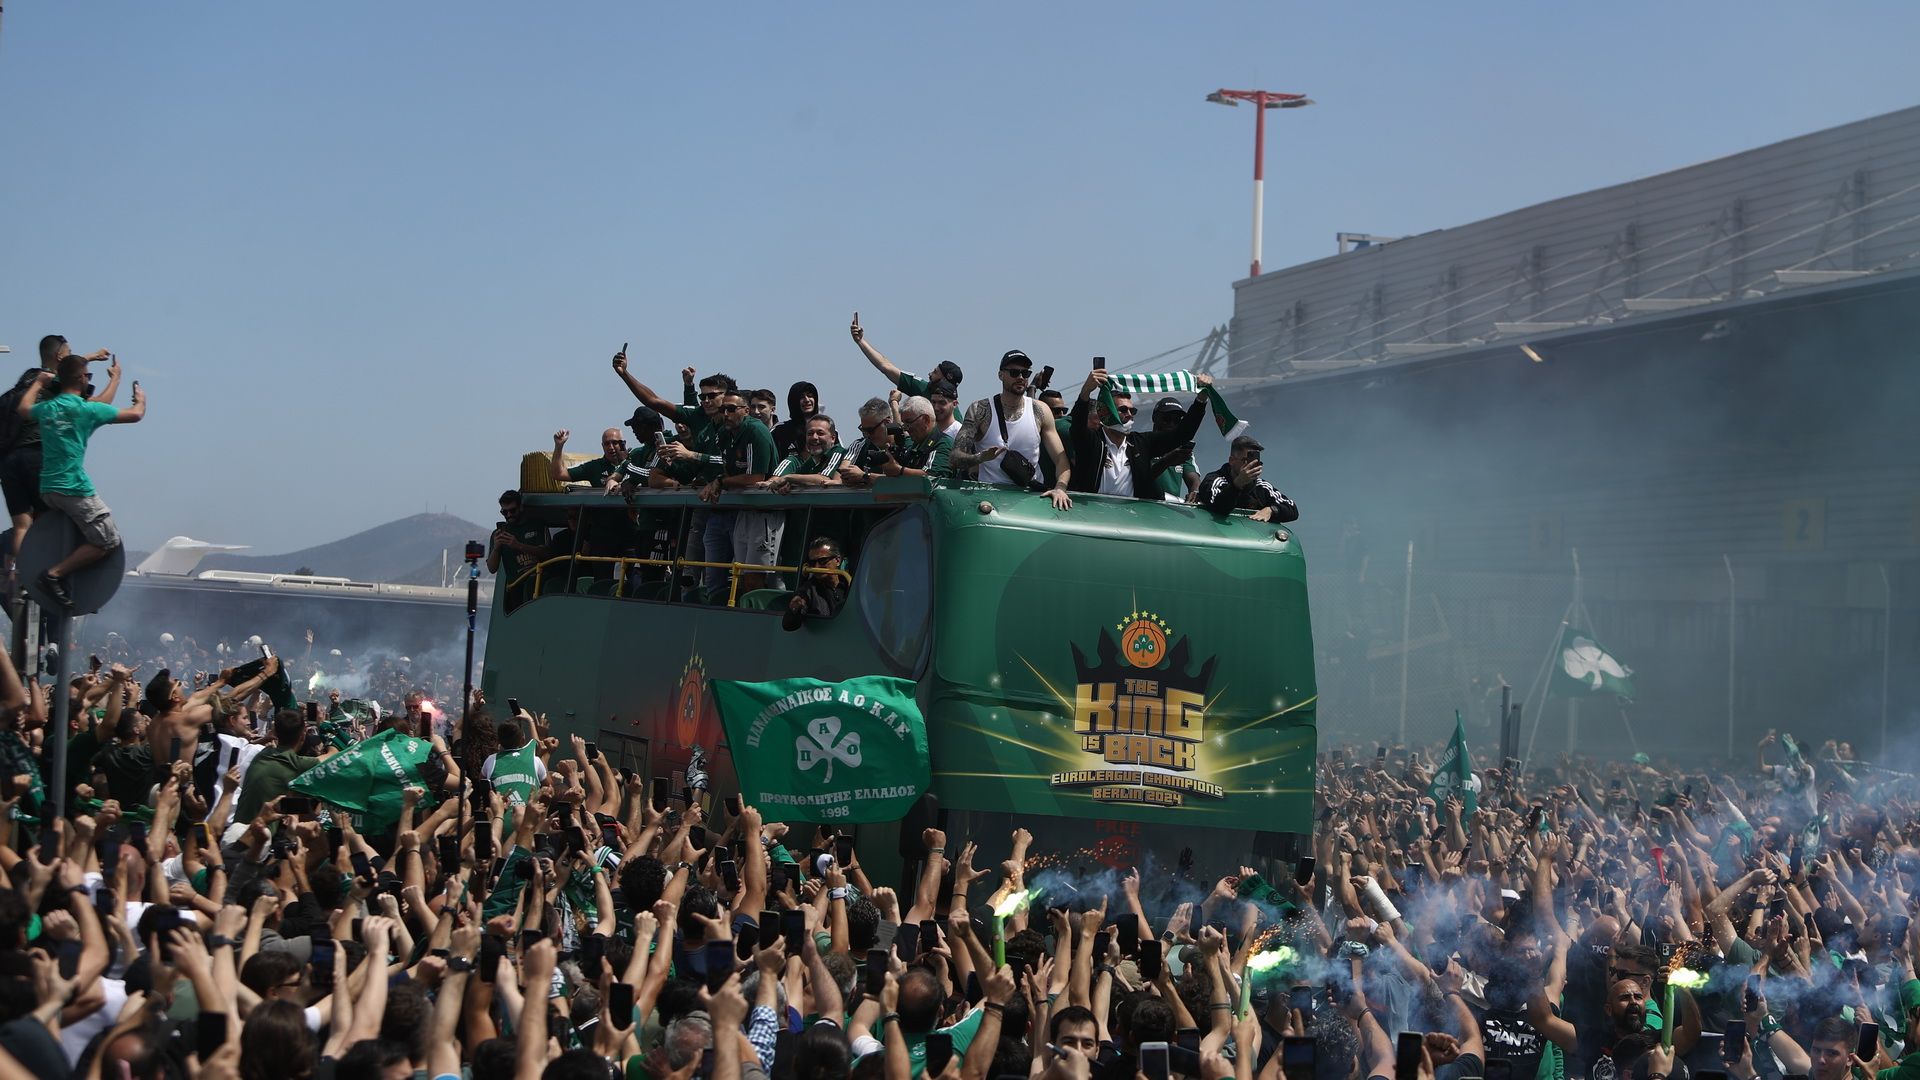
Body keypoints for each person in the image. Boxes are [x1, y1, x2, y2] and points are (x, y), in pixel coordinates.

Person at [19, 356, 144, 610]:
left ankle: (68, 576)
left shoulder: (49, 408)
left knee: (82, 531)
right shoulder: (87, 410)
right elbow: (135, 415)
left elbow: (23, 409)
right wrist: (140, 399)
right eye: (88, 375)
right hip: (74, 487)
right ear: (81, 379)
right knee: (107, 540)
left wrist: (38, 383)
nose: (89, 379)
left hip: (48, 488)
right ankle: (53, 575)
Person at [949, 352, 1075, 509]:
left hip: (1031, 498)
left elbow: (1061, 460)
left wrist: (1060, 488)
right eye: (1014, 372)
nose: (1021, 377)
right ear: (1001, 375)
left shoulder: (1040, 410)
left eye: (1025, 373)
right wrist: (980, 458)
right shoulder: (980, 410)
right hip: (991, 499)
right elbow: (955, 457)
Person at [1065, 369, 1212, 501]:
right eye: (1123, 410)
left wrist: (1201, 399)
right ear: (1106, 413)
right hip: (1094, 515)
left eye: (1132, 411)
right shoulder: (1092, 442)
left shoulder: (1140, 443)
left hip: (1131, 516)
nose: (1129, 414)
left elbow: (1182, 434)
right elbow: (1077, 425)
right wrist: (1085, 392)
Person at [700, 389, 778, 597]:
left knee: (755, 578)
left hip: (764, 512)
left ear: (746, 410)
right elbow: (726, 468)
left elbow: (755, 478)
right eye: (723, 409)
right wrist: (717, 481)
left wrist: (720, 482)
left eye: (731, 409)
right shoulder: (724, 433)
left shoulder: (755, 430)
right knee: (733, 576)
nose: (726, 414)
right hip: (741, 510)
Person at [849, 312, 964, 401]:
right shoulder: (922, 388)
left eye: (935, 372)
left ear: (944, 380)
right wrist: (860, 341)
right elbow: (886, 367)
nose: (929, 374)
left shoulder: (956, 418)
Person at [1200, 435, 1299, 523]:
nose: (1251, 465)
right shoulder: (1214, 480)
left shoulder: (1262, 486)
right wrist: (1237, 484)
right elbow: (1218, 508)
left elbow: (1292, 508)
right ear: (1232, 460)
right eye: (1245, 460)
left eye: (1255, 462)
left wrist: (1271, 510)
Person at [485, 489, 550, 610]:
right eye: (505, 512)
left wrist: (518, 545)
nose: (509, 515)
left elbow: (547, 553)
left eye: (512, 510)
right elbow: (492, 568)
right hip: (516, 588)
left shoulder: (537, 525)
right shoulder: (499, 534)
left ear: (521, 507)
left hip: (539, 582)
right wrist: (497, 548)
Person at [870, 397, 953, 482]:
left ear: (926, 420)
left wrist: (899, 470)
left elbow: (934, 477)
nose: (906, 428)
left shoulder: (942, 443)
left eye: (909, 422)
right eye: (904, 424)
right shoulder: (916, 445)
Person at [782, 537, 850, 632]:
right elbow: (788, 625)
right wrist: (794, 609)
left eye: (822, 560)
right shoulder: (808, 590)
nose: (816, 566)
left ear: (837, 561)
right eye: (812, 562)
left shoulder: (850, 582)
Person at [770, 416, 846, 491]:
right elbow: (798, 476)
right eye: (810, 433)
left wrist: (788, 478)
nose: (814, 437)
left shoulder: (838, 452)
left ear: (833, 438)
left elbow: (825, 479)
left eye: (820, 433)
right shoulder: (812, 460)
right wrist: (788, 484)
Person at [1147, 398, 1203, 502]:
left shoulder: (1182, 450)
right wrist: (1167, 461)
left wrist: (1195, 492)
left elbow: (1194, 480)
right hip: (1143, 506)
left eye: (1177, 420)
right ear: (1155, 418)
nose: (1172, 424)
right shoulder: (1141, 444)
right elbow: (1142, 478)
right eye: (1167, 419)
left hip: (1170, 508)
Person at [548, 427, 628, 488]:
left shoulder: (633, 462)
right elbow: (558, 474)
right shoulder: (595, 467)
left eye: (614, 443)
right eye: (607, 444)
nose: (611, 447)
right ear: (602, 446)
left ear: (623, 444)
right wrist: (559, 446)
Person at [771, 381, 821, 459]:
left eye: (810, 396)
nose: (807, 400)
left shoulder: (827, 428)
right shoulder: (780, 430)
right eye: (801, 397)